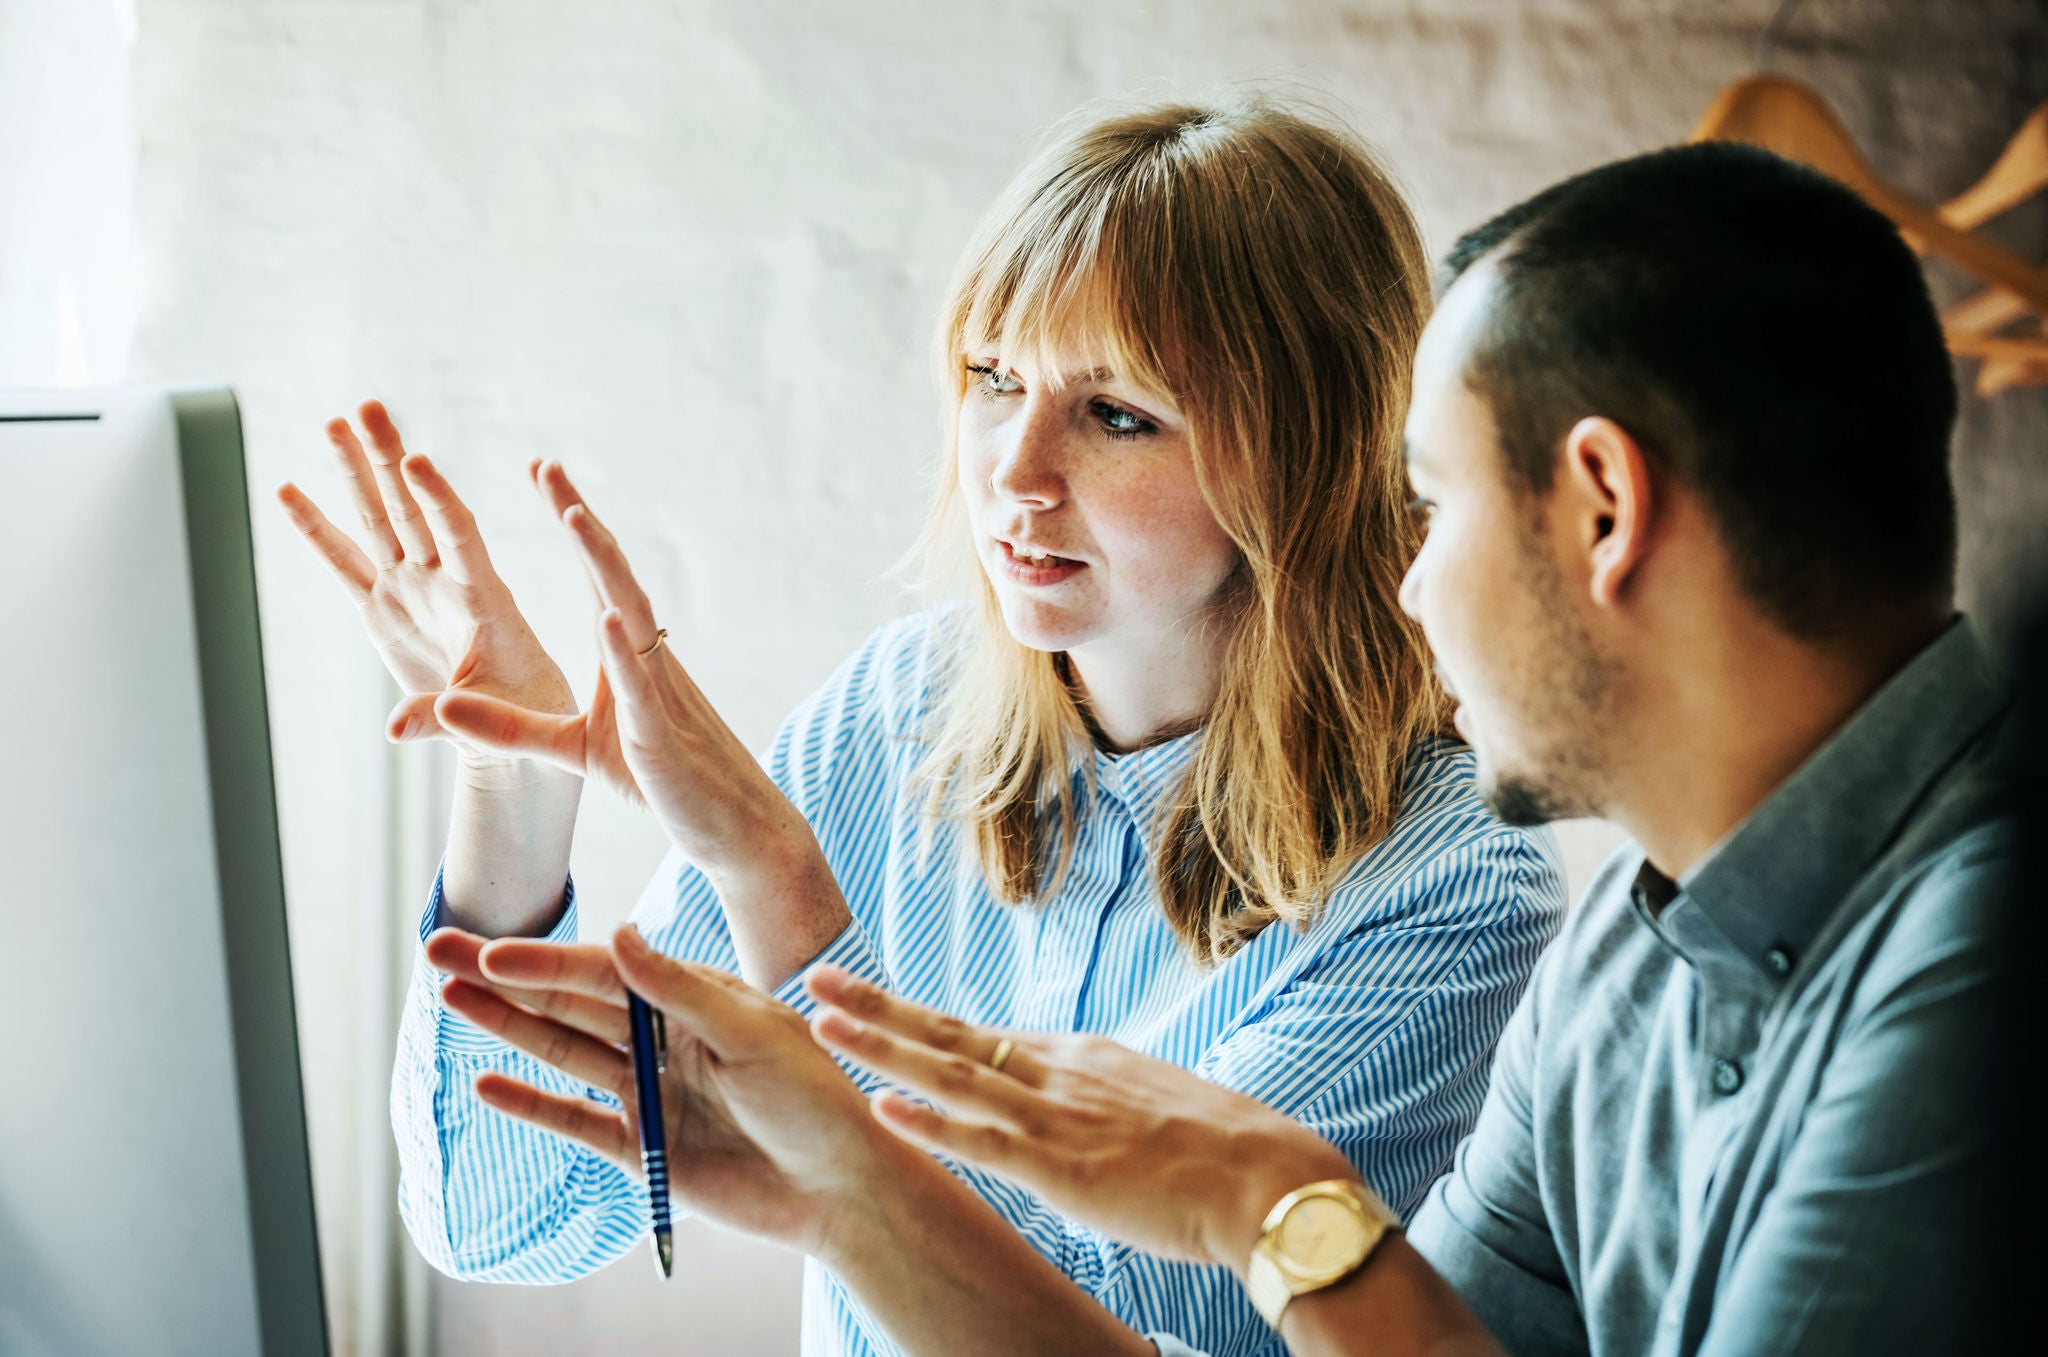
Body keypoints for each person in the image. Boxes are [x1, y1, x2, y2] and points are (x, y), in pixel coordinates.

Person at [277, 98, 1565, 1356]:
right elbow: (509, 1221)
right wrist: (512, 785)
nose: (1011, 469)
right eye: (993, 379)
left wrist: (776, 882)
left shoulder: (1451, 882)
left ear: (1309, 455)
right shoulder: (896, 713)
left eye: (1116, 413)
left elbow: (1108, 1327)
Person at [774, 141, 2010, 1354]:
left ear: (1603, 512)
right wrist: (837, 1184)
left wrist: (1271, 1207)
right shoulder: (1617, 970)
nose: (1407, 589)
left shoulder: (1989, 971)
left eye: (1432, 502)